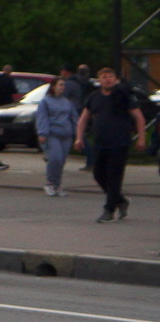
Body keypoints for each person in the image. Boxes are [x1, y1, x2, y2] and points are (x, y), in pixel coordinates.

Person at [75, 67, 146, 222]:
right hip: (100, 142)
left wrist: (141, 138)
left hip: (120, 142)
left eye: (111, 76)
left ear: (115, 79)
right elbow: (84, 118)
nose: (108, 79)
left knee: (114, 177)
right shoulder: (94, 97)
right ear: (99, 80)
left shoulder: (123, 96)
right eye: (104, 77)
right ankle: (120, 200)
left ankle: (109, 210)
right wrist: (79, 138)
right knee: (98, 174)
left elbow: (139, 117)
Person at [36, 76, 79, 197]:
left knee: (61, 161)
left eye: (63, 85)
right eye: (60, 85)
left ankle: (57, 184)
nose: (62, 87)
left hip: (66, 135)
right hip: (52, 134)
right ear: (54, 86)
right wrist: (42, 133)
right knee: (55, 158)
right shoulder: (45, 101)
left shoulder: (67, 102)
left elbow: (74, 118)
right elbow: (42, 118)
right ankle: (49, 183)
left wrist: (78, 133)